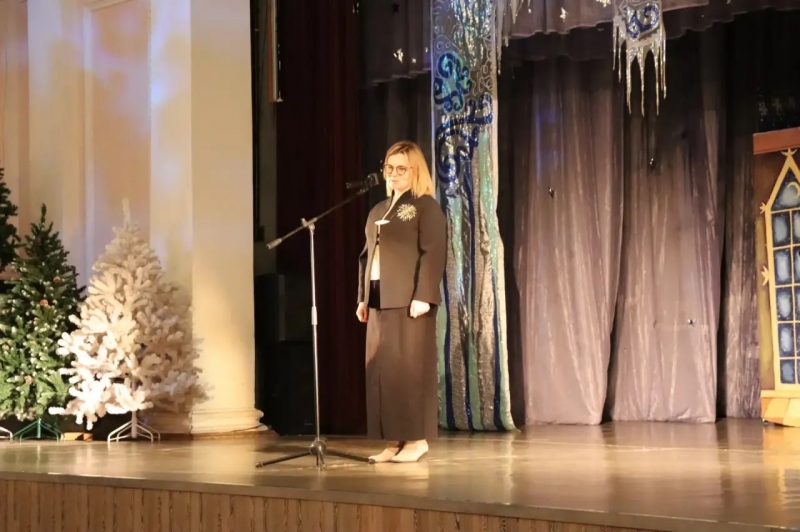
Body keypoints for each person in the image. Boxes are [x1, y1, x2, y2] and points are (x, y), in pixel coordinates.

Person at [356, 141, 447, 464]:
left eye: (401, 169)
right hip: (379, 298)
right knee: (382, 372)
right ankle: (392, 440)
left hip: (409, 300)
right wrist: (363, 298)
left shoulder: (424, 207)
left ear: (415, 171)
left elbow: (433, 253)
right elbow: (366, 257)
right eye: (389, 168)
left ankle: (416, 440)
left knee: (408, 371)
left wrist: (423, 296)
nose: (393, 174)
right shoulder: (378, 210)